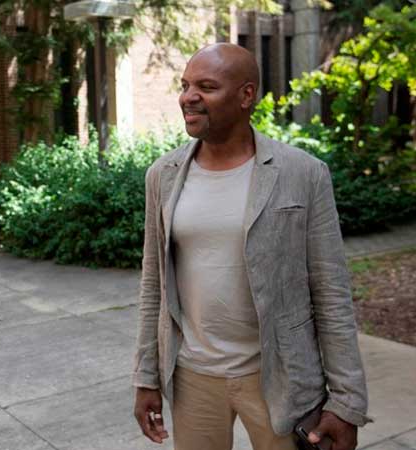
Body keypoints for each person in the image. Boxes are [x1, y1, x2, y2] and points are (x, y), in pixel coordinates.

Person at [132, 43, 371, 450]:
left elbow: (331, 293)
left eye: (206, 86)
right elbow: (153, 284)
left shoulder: (303, 173)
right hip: (192, 376)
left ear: (246, 95)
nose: (188, 97)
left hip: (281, 377)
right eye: (185, 85)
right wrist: (146, 377)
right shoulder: (164, 174)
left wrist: (347, 401)